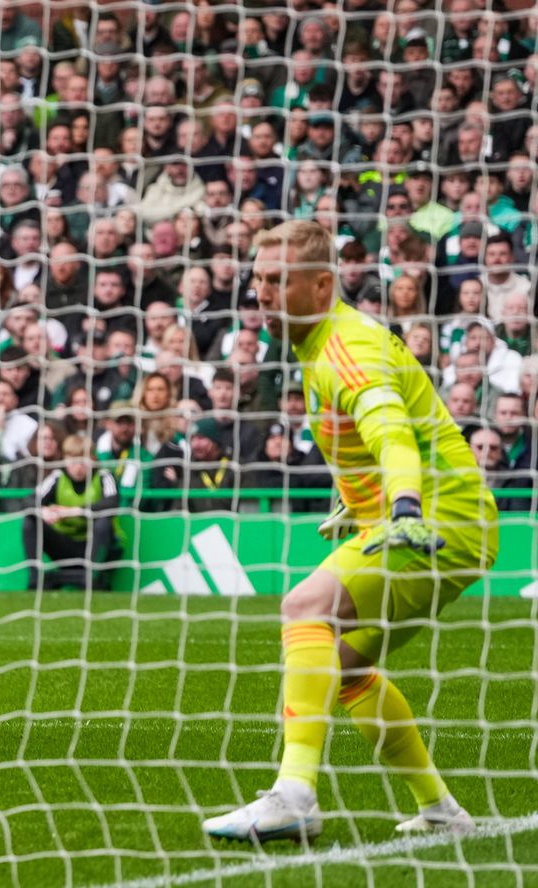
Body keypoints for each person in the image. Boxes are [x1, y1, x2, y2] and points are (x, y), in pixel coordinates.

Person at [205, 221, 497, 842]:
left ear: (321, 285)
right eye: (258, 279)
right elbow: (385, 435)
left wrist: (405, 505)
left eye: (278, 280)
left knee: (304, 607)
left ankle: (295, 796)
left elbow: (392, 434)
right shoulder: (320, 345)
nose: (262, 293)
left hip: (435, 523)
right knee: (342, 667)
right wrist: (357, 500)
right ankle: (441, 811)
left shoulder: (346, 347)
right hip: (445, 520)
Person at [20, 434, 118, 590]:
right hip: (65, 546)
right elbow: (29, 500)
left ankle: (93, 577)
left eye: (83, 462)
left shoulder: (103, 475)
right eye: (73, 461)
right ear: (65, 459)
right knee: (30, 521)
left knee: (104, 523)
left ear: (92, 459)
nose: (78, 468)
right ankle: (35, 579)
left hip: (95, 546)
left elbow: (112, 502)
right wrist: (43, 511)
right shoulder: (57, 476)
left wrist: (73, 511)